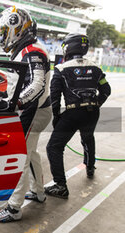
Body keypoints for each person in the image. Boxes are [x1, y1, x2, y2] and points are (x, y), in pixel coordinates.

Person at [0, 6, 52, 223]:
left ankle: (14, 209)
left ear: (15, 27)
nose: (1, 36)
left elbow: (37, 84)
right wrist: (5, 96)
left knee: (19, 158)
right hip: (36, 111)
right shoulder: (27, 49)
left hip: (34, 112)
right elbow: (27, 83)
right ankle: (39, 192)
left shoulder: (31, 51)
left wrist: (13, 101)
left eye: (3, 31)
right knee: (31, 153)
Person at [44, 33, 111, 199]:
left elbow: (55, 97)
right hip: (93, 112)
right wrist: (95, 103)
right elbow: (106, 90)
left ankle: (60, 185)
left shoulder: (61, 69)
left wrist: (57, 117)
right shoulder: (96, 68)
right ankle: (90, 167)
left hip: (73, 113)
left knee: (54, 146)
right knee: (88, 138)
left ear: (68, 47)